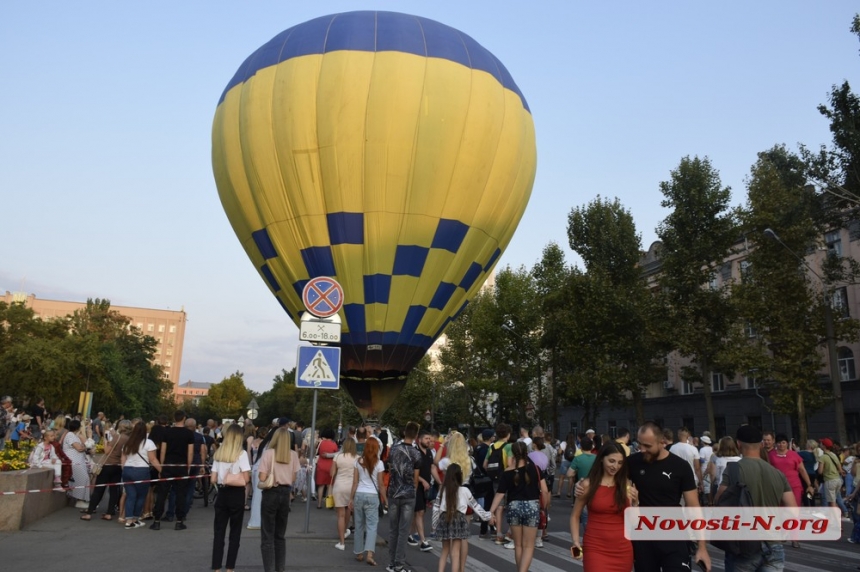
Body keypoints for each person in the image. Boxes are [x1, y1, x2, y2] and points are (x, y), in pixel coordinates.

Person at [575, 421, 711, 572]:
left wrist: (702, 547)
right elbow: (606, 477)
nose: (642, 449)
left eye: (648, 446)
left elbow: (693, 507)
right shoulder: (632, 462)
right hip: (643, 540)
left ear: (662, 442)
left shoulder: (680, 466)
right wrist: (582, 483)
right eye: (640, 444)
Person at [716, 425, 796, 570]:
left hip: (744, 544)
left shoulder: (734, 470)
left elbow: (719, 502)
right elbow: (793, 510)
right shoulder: (778, 474)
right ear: (761, 445)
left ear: (738, 444)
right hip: (773, 543)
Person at [571, 442, 636, 571]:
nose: (615, 466)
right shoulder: (587, 484)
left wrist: (635, 502)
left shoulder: (626, 485)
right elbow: (575, 516)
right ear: (601, 459)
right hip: (595, 548)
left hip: (622, 550)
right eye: (611, 461)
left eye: (620, 463)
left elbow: (634, 522)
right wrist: (575, 543)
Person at [488, 441, 548, 572]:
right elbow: (544, 490)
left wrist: (491, 511)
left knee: (518, 545)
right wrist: (544, 507)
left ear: (513, 454)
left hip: (514, 507)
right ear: (527, 452)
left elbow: (500, 493)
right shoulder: (535, 468)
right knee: (529, 545)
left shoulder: (508, 472)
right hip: (532, 506)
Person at [433, 463, 493, 572]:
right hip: (459, 519)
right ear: (460, 476)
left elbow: (436, 507)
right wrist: (488, 515)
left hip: (444, 518)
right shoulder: (465, 490)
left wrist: (434, 524)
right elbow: (476, 506)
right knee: (455, 553)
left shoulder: (442, 490)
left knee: (445, 551)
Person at [210, 423, 251, 572]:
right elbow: (246, 478)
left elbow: (213, 479)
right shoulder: (242, 454)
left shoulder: (219, 453)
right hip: (236, 494)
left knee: (219, 532)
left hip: (222, 494)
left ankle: (216, 567)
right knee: (235, 532)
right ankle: (230, 568)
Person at [258, 427, 300, 572]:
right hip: (285, 493)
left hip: (271, 492)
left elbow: (262, 477)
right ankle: (280, 568)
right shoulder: (293, 455)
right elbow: (294, 478)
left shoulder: (269, 453)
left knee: (267, 534)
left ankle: (268, 569)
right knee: (280, 535)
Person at [386, 421, 424, 572]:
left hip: (393, 492)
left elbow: (390, 470)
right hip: (408, 494)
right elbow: (416, 478)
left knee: (393, 529)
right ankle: (399, 564)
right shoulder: (416, 453)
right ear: (415, 436)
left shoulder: (394, 450)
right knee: (403, 530)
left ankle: (390, 563)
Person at [81, 418, 131, 521]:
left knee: (99, 489)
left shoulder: (117, 437)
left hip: (108, 464)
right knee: (114, 490)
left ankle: (89, 512)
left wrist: (105, 441)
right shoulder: (129, 439)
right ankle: (109, 513)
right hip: (118, 466)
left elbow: (107, 451)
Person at [349, 436, 385, 564]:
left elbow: (354, 482)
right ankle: (369, 554)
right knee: (371, 526)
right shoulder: (379, 463)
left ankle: (359, 553)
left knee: (358, 525)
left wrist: (350, 499)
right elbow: (381, 485)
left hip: (359, 494)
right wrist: (385, 499)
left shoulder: (358, 461)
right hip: (372, 496)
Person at [121, 421, 163, 529]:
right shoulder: (149, 443)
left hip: (127, 470)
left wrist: (124, 469)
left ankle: (129, 520)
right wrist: (161, 471)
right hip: (141, 471)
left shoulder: (128, 443)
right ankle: (135, 518)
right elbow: (153, 459)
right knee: (141, 496)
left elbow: (123, 458)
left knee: (131, 496)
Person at [484, 423, 514, 545]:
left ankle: (498, 534)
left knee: (499, 506)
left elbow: (485, 465)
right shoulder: (509, 447)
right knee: (511, 504)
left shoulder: (492, 447)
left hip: (496, 479)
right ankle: (509, 533)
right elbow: (510, 464)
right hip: (507, 479)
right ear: (508, 434)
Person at [408, 429, 435, 552]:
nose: (429, 441)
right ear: (419, 440)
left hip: (426, 488)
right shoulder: (415, 452)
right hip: (416, 486)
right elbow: (410, 471)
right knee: (419, 512)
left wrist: (439, 482)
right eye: (426, 438)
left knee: (419, 512)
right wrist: (422, 480)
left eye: (429, 439)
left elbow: (432, 468)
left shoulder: (429, 453)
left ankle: (410, 534)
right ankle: (423, 541)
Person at [331, 436, 357, 550]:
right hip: (352, 487)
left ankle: (341, 542)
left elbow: (331, 473)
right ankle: (346, 530)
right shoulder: (357, 458)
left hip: (339, 486)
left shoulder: (338, 456)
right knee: (348, 510)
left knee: (340, 515)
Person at [63, 419, 91, 509]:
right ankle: (79, 499)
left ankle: (81, 499)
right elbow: (79, 448)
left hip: (79, 461)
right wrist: (85, 446)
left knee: (83, 479)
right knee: (82, 478)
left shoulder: (75, 435)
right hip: (74, 462)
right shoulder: (70, 435)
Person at [315, 428, 339, 508]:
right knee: (329, 485)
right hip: (330, 465)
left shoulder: (321, 443)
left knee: (321, 485)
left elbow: (319, 452)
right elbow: (336, 453)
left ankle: (319, 504)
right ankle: (329, 504)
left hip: (321, 465)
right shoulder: (334, 444)